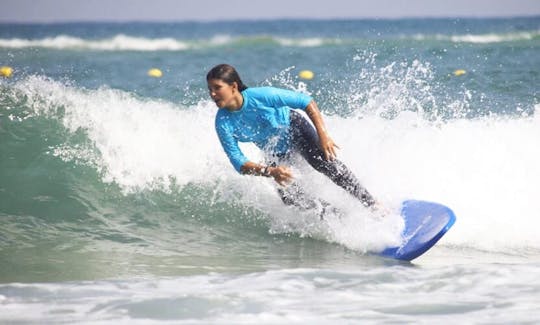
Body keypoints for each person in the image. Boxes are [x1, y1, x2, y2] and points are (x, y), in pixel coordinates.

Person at [207, 64, 376, 212]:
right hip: (274, 150)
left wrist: (323, 135)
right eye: (210, 89)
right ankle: (336, 216)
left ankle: (372, 204)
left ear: (233, 86)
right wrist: (270, 171)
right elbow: (238, 162)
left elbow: (305, 101)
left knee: (324, 164)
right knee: (290, 198)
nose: (213, 94)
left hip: (294, 128)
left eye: (217, 88)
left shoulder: (261, 95)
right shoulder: (223, 122)